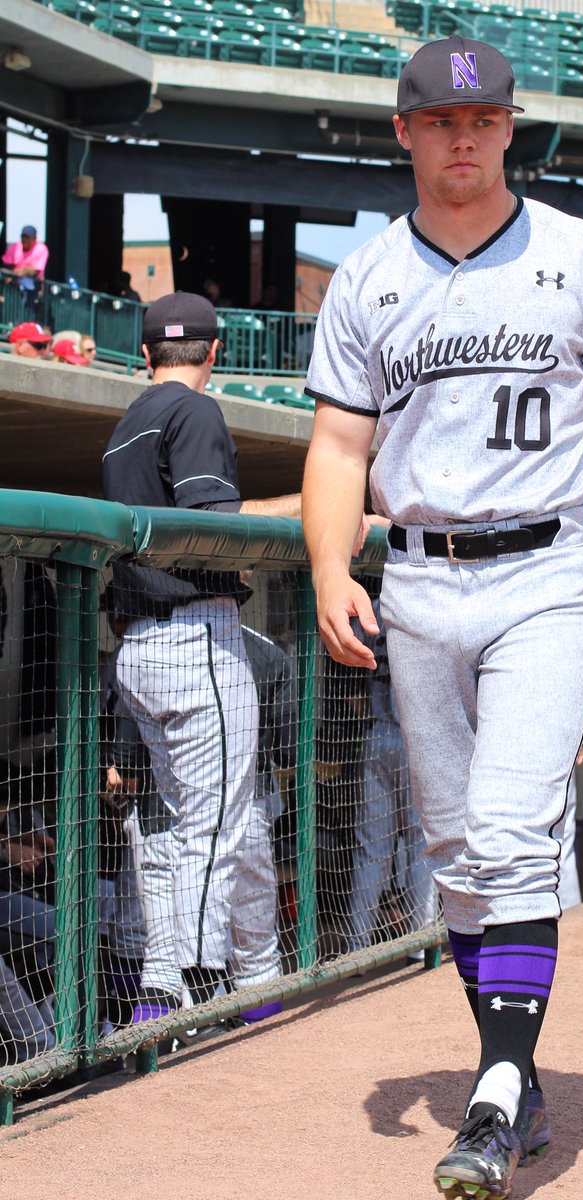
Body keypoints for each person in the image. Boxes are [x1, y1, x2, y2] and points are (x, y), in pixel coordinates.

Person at [301, 36, 583, 1200]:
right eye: (442, 121)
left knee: (512, 825)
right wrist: (325, 569)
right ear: (404, 133)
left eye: (486, 119)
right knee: (460, 854)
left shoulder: (581, 254)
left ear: (509, 129)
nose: (466, 136)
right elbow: (337, 445)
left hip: (547, 572)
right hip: (416, 578)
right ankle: (515, 1073)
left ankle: (499, 1094)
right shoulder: (368, 278)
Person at [101, 291, 301, 1019]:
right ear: (214, 353)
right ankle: (173, 986)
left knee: (202, 826)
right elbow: (213, 527)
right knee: (214, 831)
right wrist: (309, 509)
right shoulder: (197, 411)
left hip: (140, 646)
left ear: (146, 353)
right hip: (194, 639)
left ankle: (247, 982)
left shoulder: (126, 423)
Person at [343, 592, 436, 958]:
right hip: (419, 739)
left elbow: (346, 675)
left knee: (373, 850)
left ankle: (357, 948)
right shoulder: (430, 601)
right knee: (419, 845)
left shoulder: (374, 608)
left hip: (378, 734)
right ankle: (419, 943)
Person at [2, 225, 48, 316]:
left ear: (34, 238)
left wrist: (20, 271)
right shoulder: (14, 247)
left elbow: (35, 271)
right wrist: (16, 272)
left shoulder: (41, 248)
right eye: (23, 236)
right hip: (13, 286)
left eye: (28, 237)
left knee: (28, 312)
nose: (25, 239)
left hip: (33, 287)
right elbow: (6, 265)